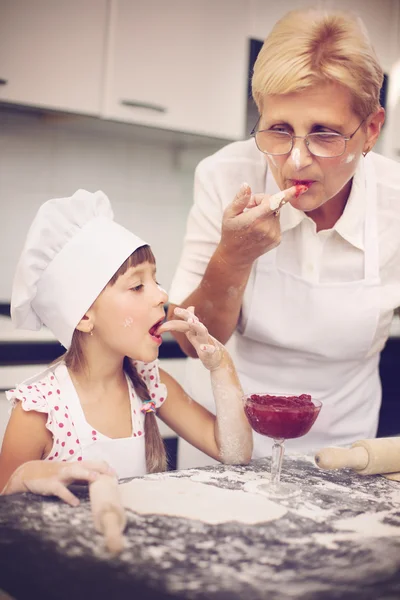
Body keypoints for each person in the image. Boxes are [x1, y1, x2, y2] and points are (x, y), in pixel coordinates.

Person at [167, 7, 400, 464]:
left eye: (325, 134)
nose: (295, 160)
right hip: (224, 443)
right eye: (279, 129)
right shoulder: (225, 175)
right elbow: (189, 344)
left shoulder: (396, 202)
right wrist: (231, 259)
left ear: (370, 130)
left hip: (345, 456)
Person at [0, 190, 252, 505]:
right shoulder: (39, 411)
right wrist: (22, 479)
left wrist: (219, 365)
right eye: (137, 286)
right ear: (85, 317)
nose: (162, 295)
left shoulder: (148, 382)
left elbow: (235, 452)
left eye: (156, 280)